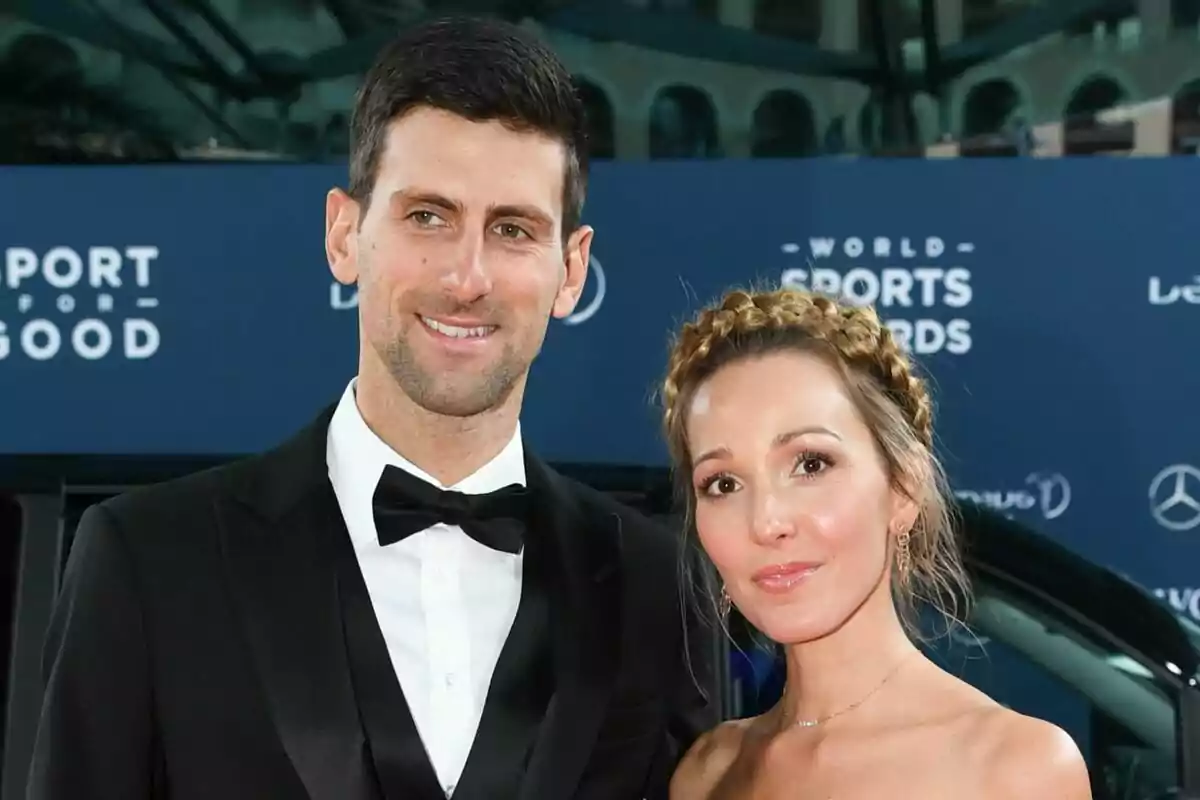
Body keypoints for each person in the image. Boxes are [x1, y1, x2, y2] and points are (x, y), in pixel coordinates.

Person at [27, 16, 714, 800]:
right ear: (345, 235)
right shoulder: (147, 562)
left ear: (570, 269)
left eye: (513, 229)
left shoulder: (655, 587)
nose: (467, 276)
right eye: (428, 216)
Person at [660, 288, 1092, 799]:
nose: (766, 521)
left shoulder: (1014, 770)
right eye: (723, 483)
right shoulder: (706, 772)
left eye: (811, 464)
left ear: (903, 488)